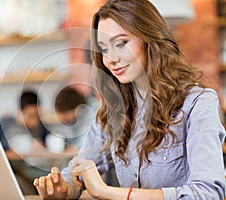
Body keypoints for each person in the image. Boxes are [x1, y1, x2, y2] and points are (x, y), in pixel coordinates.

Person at [33, 0, 226, 199]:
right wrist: (62, 189)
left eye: (121, 43)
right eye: (104, 49)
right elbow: (78, 171)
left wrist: (107, 192)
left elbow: (208, 193)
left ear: (150, 39)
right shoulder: (113, 111)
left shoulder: (198, 103)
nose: (111, 59)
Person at [0, 90, 49, 195]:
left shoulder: (41, 127)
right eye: (30, 116)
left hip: (33, 167)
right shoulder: (4, 124)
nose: (34, 121)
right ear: (20, 112)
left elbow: (47, 148)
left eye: (37, 116)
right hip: (12, 169)